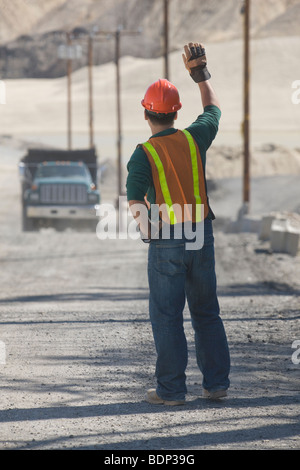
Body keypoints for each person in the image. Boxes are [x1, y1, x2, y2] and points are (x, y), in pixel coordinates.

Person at [126, 43, 230, 405]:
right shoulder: (194, 138)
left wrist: (147, 231)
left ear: (146, 114)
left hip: (167, 239)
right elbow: (213, 110)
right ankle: (216, 385)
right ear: (176, 112)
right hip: (201, 234)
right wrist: (199, 74)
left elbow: (136, 199)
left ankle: (171, 391)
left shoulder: (144, 153)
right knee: (206, 312)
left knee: (167, 316)